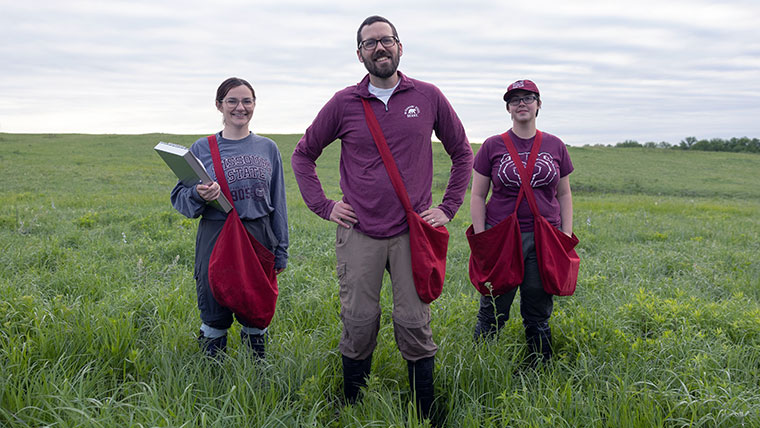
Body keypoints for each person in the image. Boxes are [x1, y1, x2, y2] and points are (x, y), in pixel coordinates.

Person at [291, 15, 473, 419]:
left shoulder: (427, 96)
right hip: (360, 233)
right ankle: (354, 404)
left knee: (413, 320)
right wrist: (324, 206)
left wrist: (446, 208)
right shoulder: (343, 103)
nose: (380, 48)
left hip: (413, 233)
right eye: (370, 44)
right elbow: (303, 154)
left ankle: (424, 409)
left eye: (386, 40)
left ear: (400, 47)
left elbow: (462, 153)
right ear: (360, 55)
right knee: (358, 319)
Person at [171, 77, 288, 358]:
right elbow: (180, 200)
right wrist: (200, 195)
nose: (240, 107)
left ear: (254, 105)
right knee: (214, 312)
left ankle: (256, 376)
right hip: (216, 236)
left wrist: (280, 250)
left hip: (258, 236)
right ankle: (212, 378)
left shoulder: (268, 148)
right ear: (219, 106)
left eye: (247, 101)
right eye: (232, 101)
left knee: (256, 311)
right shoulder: (201, 148)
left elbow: (278, 202)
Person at [470, 79, 573, 367]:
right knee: (493, 306)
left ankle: (539, 367)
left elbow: (564, 193)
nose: (522, 104)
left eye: (528, 98)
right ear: (508, 108)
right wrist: (482, 239)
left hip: (545, 237)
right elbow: (477, 195)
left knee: (538, 306)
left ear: (539, 105)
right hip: (502, 238)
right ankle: (479, 366)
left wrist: (565, 234)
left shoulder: (555, 145)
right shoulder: (492, 146)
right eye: (515, 100)